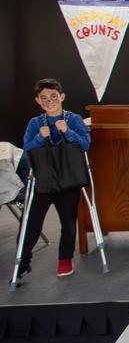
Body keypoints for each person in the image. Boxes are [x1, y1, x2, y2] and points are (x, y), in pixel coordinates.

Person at [18, 78, 90, 280]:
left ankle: (65, 260)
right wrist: (40, 137)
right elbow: (26, 150)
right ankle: (22, 262)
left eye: (53, 97)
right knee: (31, 223)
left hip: (68, 179)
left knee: (68, 222)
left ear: (62, 97)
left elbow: (85, 145)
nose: (49, 101)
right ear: (38, 101)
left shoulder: (73, 119)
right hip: (43, 180)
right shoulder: (35, 123)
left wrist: (68, 131)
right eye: (44, 98)